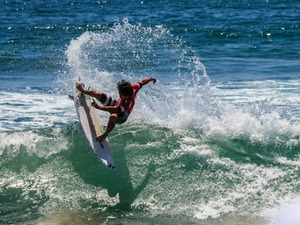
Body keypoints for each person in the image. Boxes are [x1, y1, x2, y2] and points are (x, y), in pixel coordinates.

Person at [76, 77, 157, 141]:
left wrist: (98, 107)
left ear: (127, 95)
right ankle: (84, 91)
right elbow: (142, 82)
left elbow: (114, 109)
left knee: (113, 117)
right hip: (117, 105)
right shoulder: (133, 87)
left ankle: (105, 134)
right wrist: (150, 79)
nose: (119, 95)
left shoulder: (126, 103)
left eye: (121, 94)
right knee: (97, 94)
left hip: (122, 116)